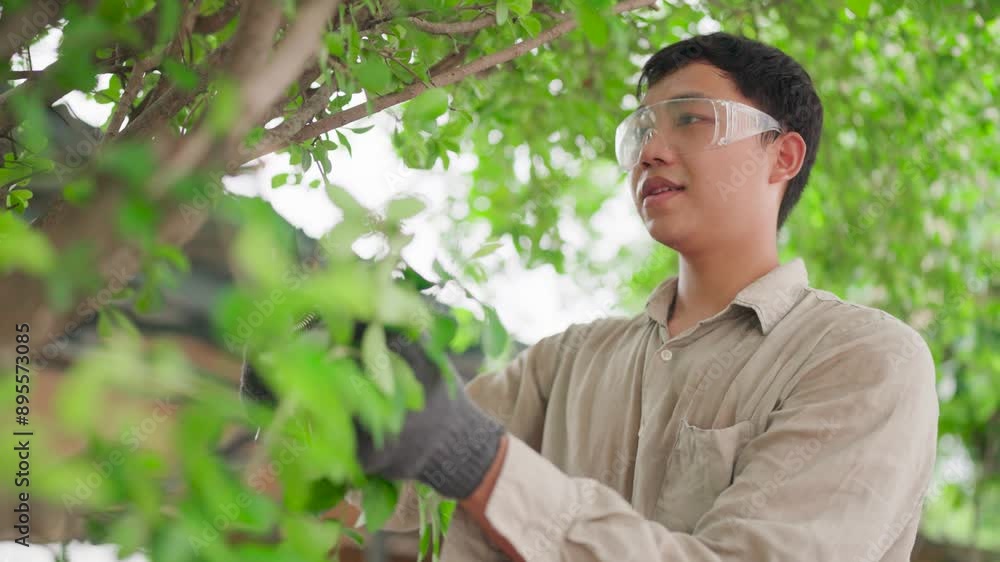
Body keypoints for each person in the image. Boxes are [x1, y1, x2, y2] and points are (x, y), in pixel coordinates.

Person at [242, 31, 939, 561]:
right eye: (641, 130)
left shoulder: (864, 360)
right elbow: (384, 506)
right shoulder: (568, 361)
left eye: (690, 119)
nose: (650, 151)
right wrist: (317, 412)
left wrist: (478, 464)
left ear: (782, 157)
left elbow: (464, 453)